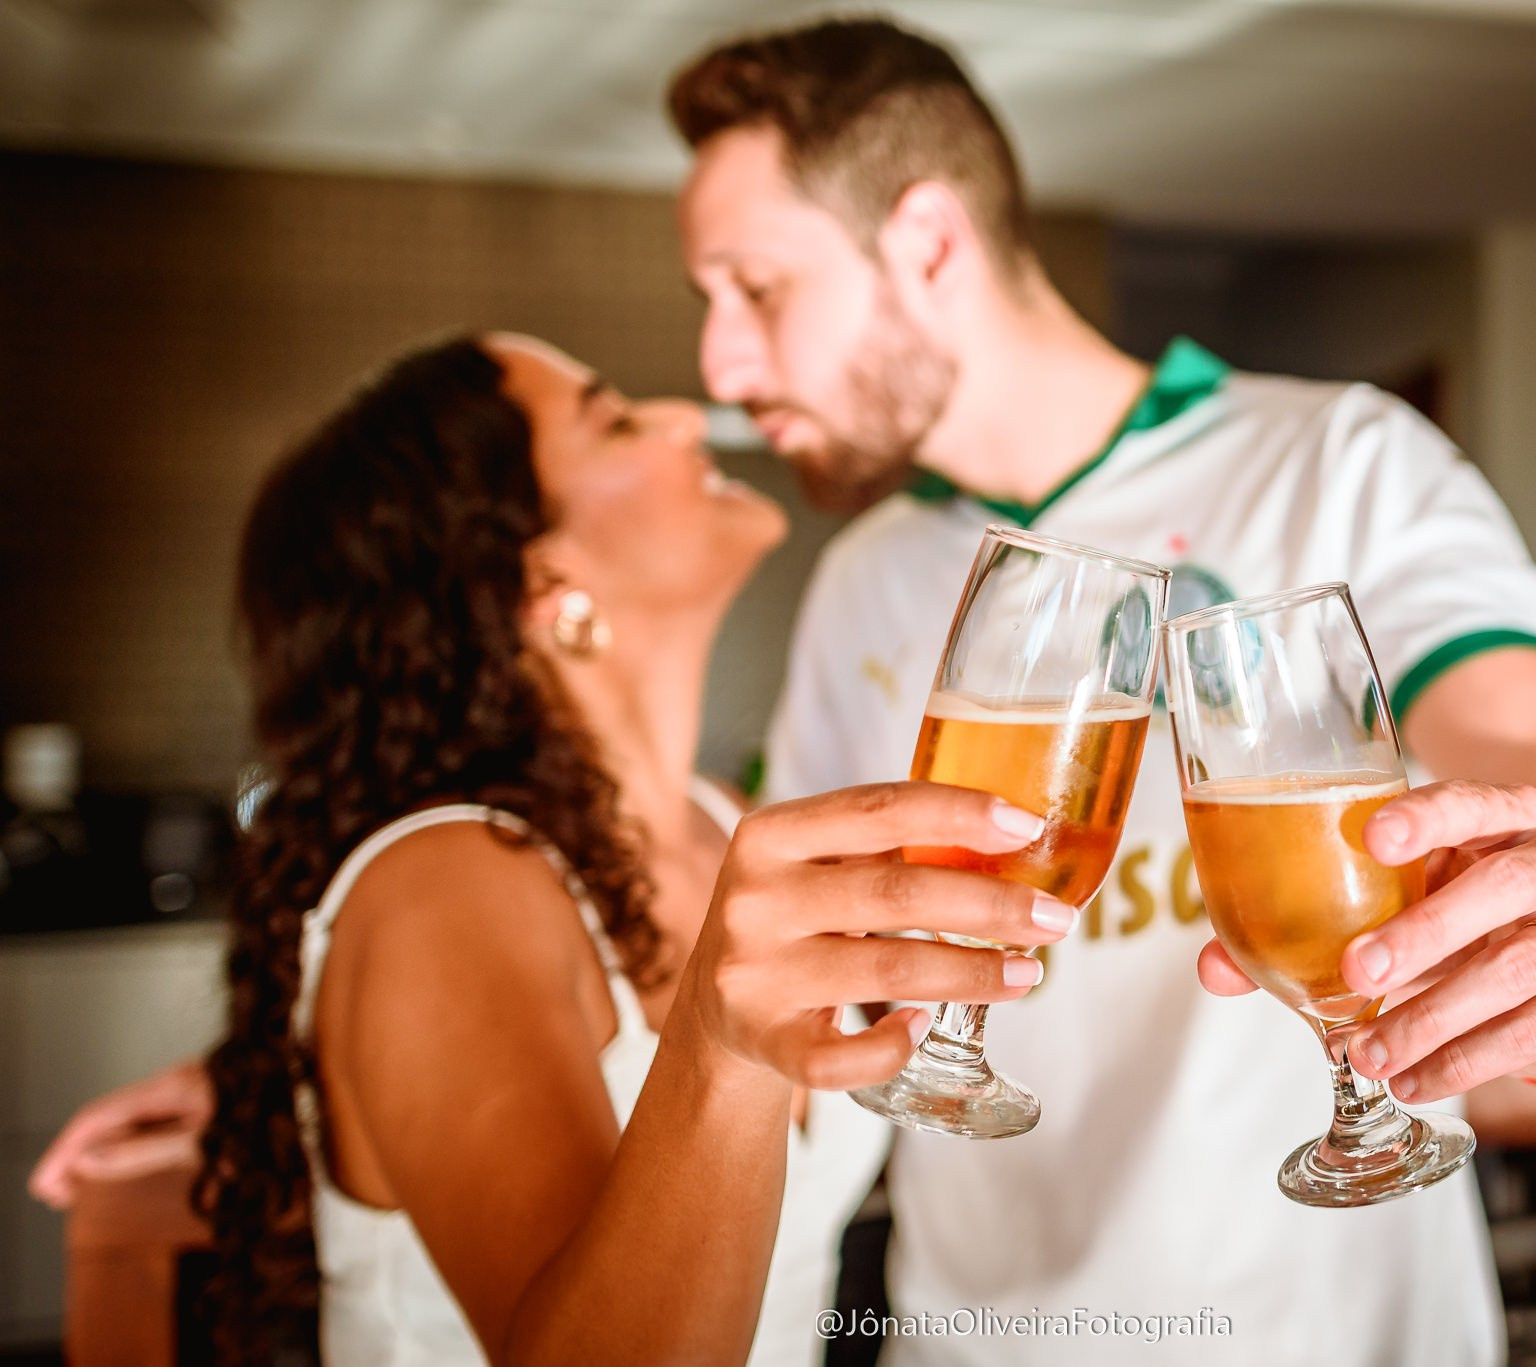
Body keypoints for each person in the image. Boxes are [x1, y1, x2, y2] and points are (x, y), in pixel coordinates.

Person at [669, 16, 1536, 1364]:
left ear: (926, 242)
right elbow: (828, 985)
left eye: (756, 288)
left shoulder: (1338, 461)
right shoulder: (869, 572)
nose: (722, 371)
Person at [38, 332, 1078, 1366]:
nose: (685, 413)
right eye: (617, 418)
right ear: (544, 581)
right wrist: (718, 1051)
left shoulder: (717, 821)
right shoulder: (441, 887)